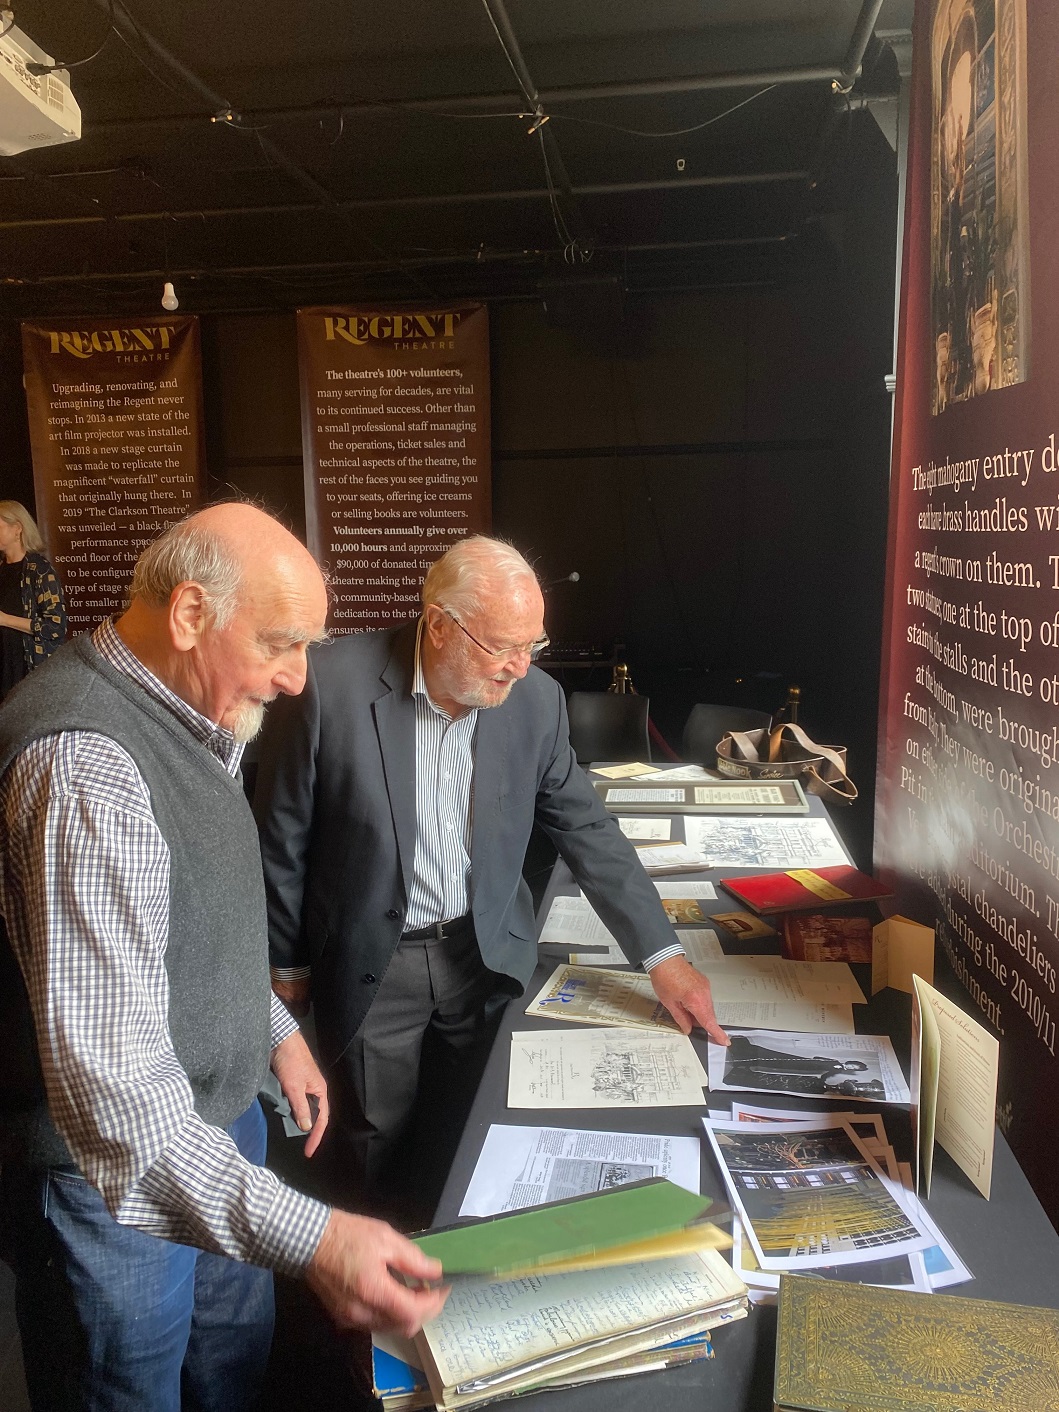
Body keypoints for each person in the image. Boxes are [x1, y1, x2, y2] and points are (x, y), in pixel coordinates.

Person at [0, 505, 445, 1412]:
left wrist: (270, 1027)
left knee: (229, 1379)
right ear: (191, 613)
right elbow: (120, 1113)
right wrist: (317, 1238)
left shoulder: (189, 706)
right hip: (111, 1182)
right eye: (281, 643)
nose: (297, 678)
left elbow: (190, 915)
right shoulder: (87, 768)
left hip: (215, 1133)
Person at [254, 535, 728, 1213]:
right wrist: (288, 963)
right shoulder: (327, 685)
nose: (519, 667)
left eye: (532, 646)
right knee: (374, 1138)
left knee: (472, 1126)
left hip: (485, 956)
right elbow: (282, 837)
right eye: (502, 646)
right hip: (373, 964)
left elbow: (587, 830)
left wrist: (663, 957)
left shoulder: (536, 701)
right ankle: (385, 1262)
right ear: (438, 624)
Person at [0, 499, 66, 702]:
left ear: (17, 528)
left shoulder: (40, 570)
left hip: (26, 671)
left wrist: (5, 619)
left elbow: (55, 627)